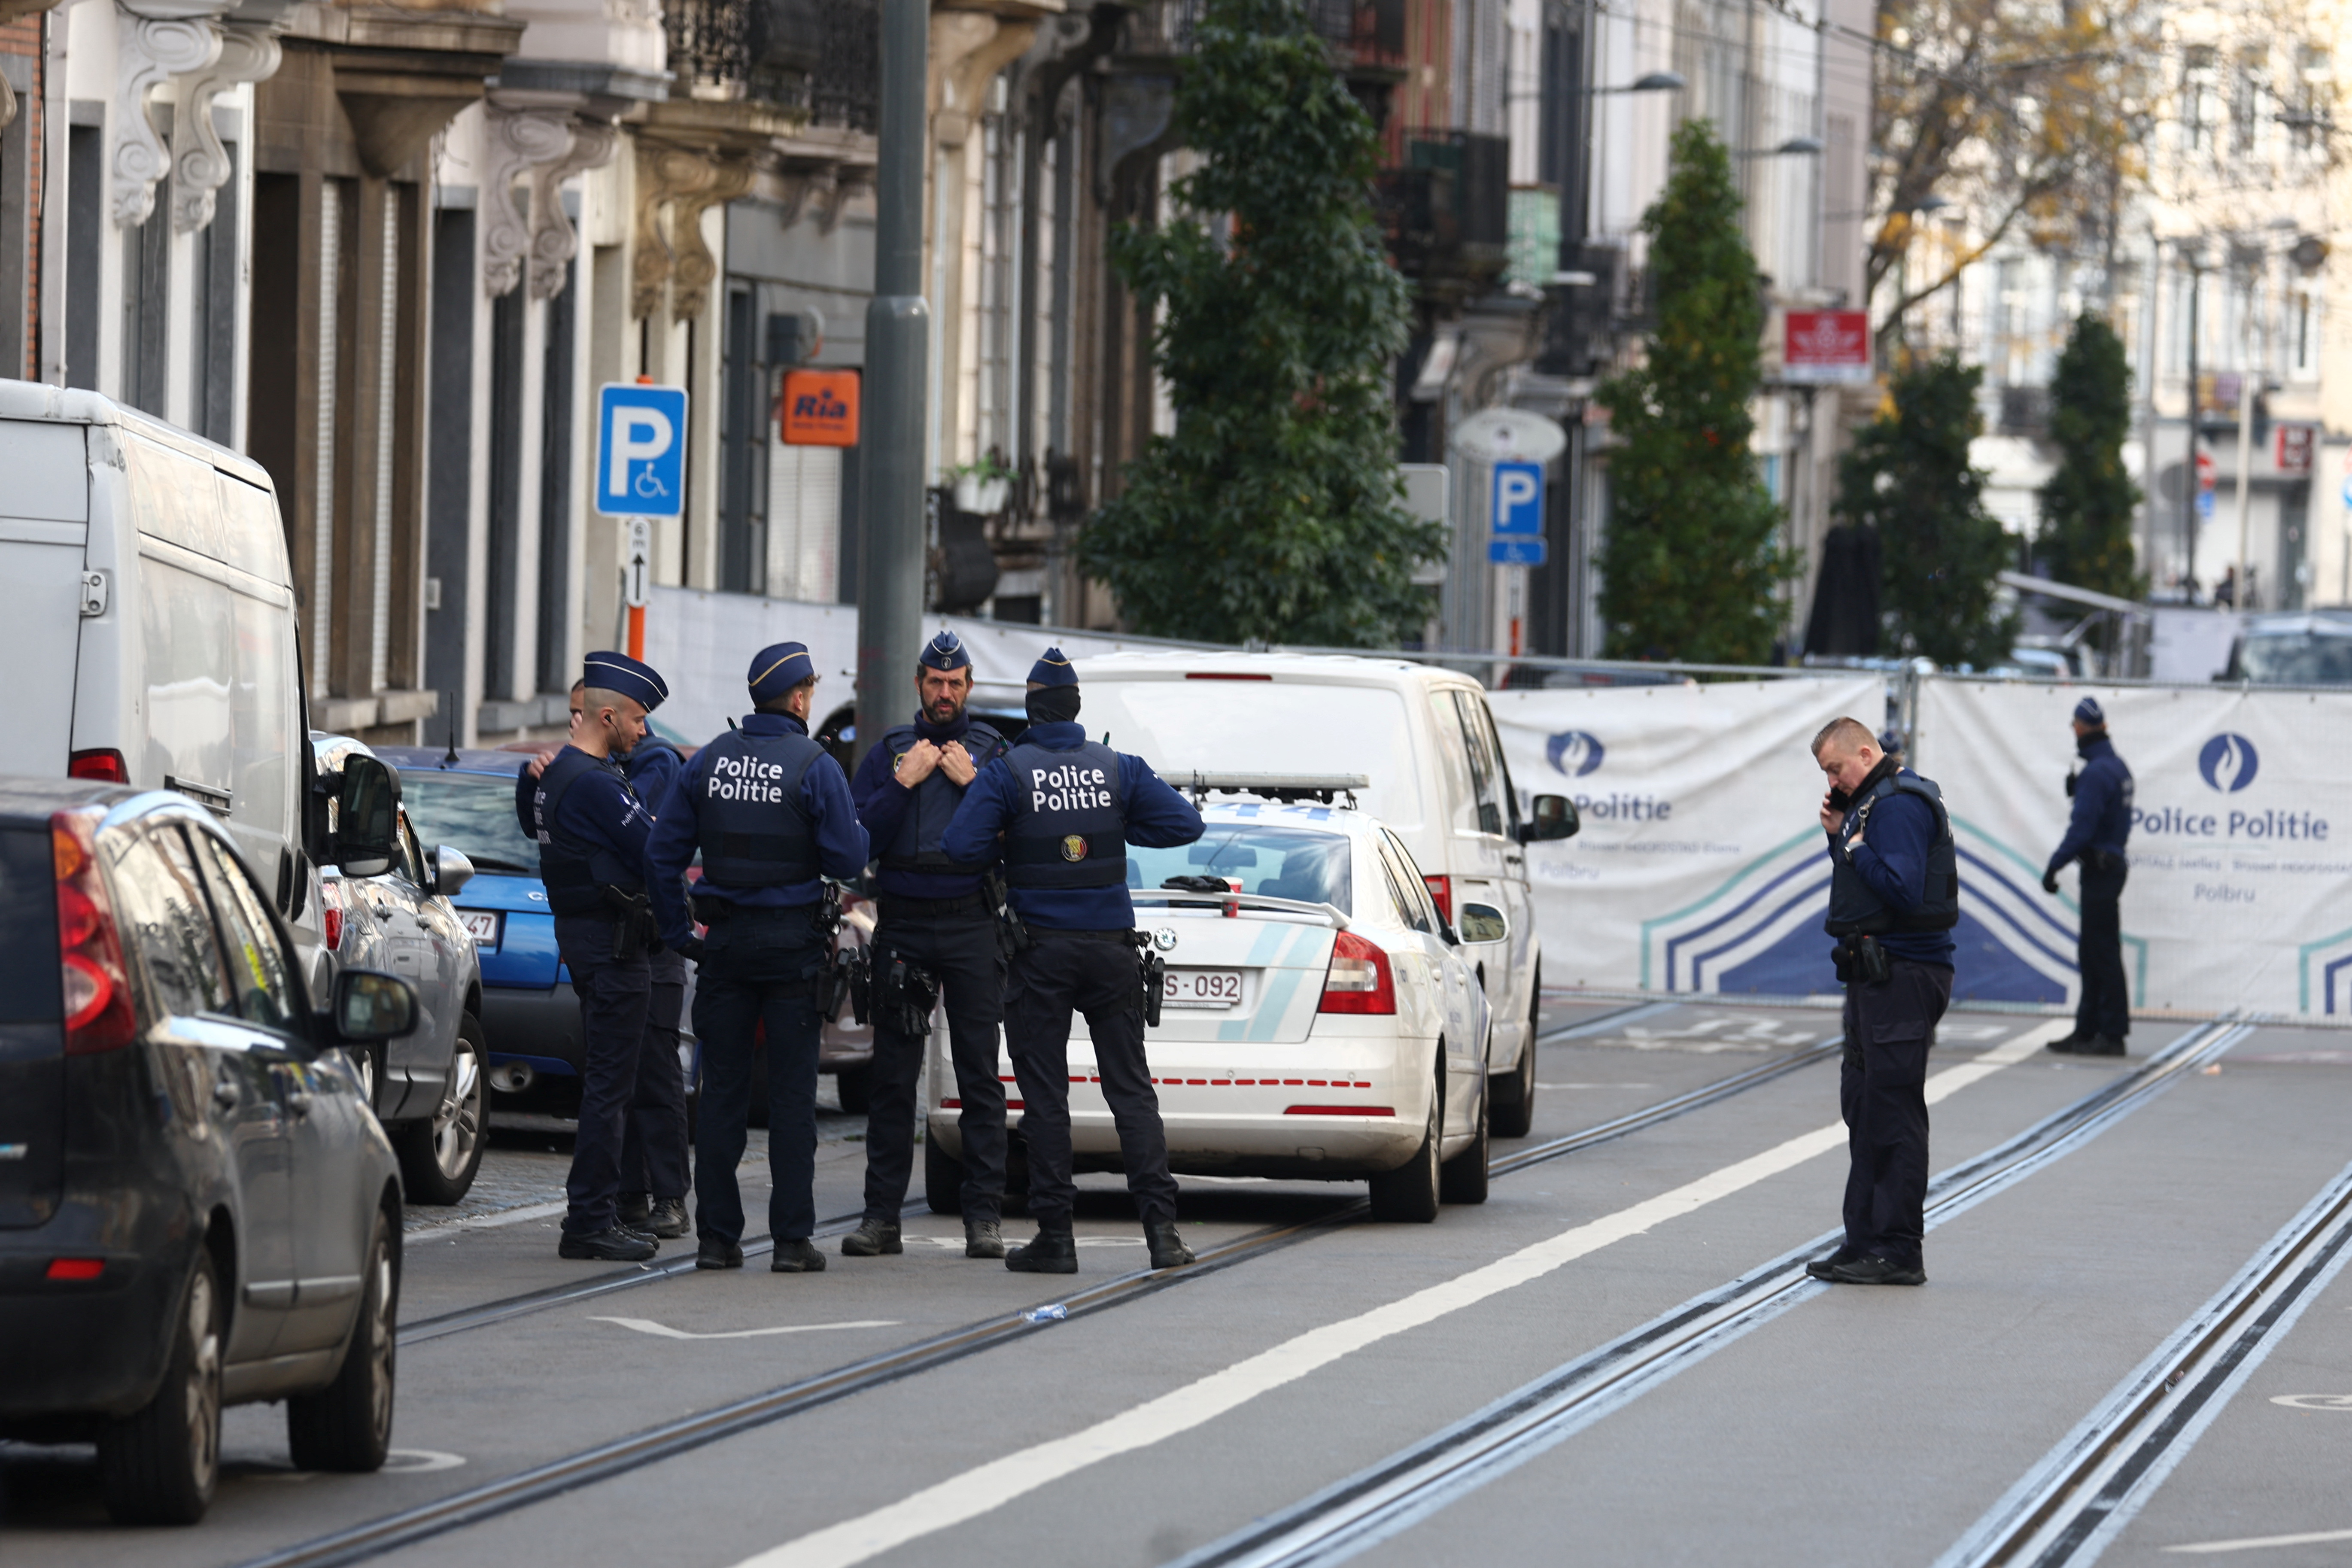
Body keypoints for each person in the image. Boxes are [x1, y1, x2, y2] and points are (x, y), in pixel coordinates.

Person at [940, 647, 1205, 1275]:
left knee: (1047, 1098)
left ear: (1031, 711)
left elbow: (958, 847)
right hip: (1111, 952)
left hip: (1039, 957)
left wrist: (1011, 831)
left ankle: (1056, 1237)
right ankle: (1162, 1234)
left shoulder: (1008, 772)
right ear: (1078, 707)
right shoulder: (1118, 767)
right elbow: (1185, 825)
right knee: (1131, 1093)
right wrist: (1116, 822)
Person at [647, 642, 869, 1274]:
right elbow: (847, 860)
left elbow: (661, 855)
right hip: (792, 948)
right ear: (799, 697)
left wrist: (678, 933)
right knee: (794, 1097)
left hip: (725, 946)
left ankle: (718, 1240)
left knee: (720, 1095)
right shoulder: (814, 765)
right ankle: (793, 1242)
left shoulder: (710, 762)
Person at [846, 630, 1014, 1260]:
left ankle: (984, 1220)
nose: (944, 694)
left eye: (955, 683)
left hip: (972, 924)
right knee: (893, 1077)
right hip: (906, 925)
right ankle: (880, 1218)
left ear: (968, 688)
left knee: (979, 1076)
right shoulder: (889, 752)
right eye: (934, 682)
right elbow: (859, 841)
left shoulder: (996, 754)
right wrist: (903, 782)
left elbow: (1016, 843)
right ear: (919, 684)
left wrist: (976, 787)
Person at [518, 683, 693, 1240]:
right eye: (639, 719)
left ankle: (605, 1210)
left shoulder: (568, 776)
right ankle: (593, 1218)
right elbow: (655, 848)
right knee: (612, 1089)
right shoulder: (592, 782)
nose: (644, 731)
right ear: (609, 717)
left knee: (613, 1082)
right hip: (614, 946)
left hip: (593, 942)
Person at [1806, 717, 1958, 1288]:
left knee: (1890, 1111)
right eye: (1826, 772)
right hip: (1873, 974)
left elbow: (1901, 886)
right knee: (1864, 1106)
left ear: (1866, 754)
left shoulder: (1895, 807)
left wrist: (1855, 843)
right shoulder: (1870, 810)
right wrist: (1839, 837)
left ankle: (1896, 1249)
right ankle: (1863, 1241)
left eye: (1836, 768)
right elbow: (1865, 887)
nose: (1833, 780)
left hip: (1902, 973)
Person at [2043, 697, 2133, 1057]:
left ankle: (2110, 1035)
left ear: (2080, 728)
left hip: (2100, 870)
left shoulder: (2097, 773)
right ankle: (2088, 1030)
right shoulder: (2117, 767)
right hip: (2108, 866)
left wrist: (2054, 865)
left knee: (2101, 954)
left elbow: (2082, 829)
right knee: (2096, 952)